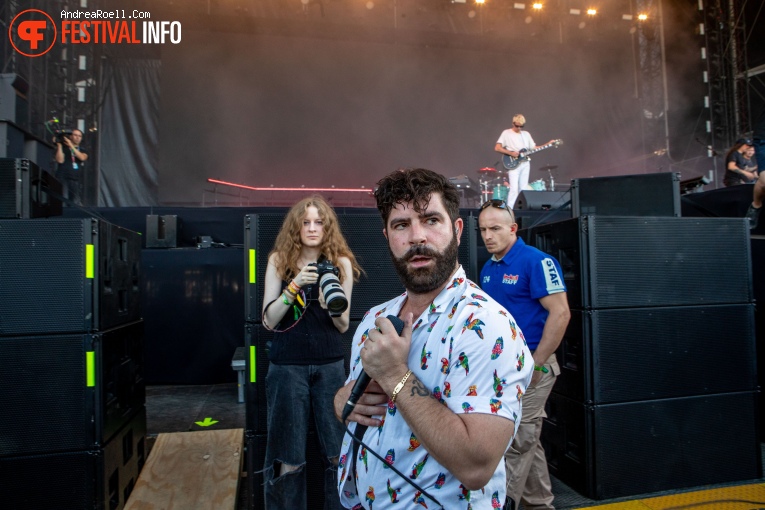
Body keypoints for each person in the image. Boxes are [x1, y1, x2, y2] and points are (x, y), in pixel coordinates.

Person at [334, 168, 533, 510]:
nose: (416, 237)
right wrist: (343, 403)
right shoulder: (374, 319)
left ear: (456, 230)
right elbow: (361, 402)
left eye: (430, 220)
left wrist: (396, 376)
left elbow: (476, 466)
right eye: (401, 225)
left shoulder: (485, 324)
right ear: (387, 236)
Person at [262, 195, 362, 510]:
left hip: (330, 364)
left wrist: (328, 301)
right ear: (296, 226)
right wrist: (294, 288)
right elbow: (268, 320)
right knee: (288, 457)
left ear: (328, 226)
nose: (312, 228)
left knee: (337, 452)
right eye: (305, 222)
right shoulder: (279, 260)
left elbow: (344, 325)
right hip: (287, 365)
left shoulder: (340, 262)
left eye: (319, 222)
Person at [478, 199, 571, 510]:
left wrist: (537, 364)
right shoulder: (489, 267)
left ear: (513, 229)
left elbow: (560, 314)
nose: (488, 235)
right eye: (483, 229)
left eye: (495, 228)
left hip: (534, 365)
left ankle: (504, 505)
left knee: (517, 441)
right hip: (504, 368)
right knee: (528, 440)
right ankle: (541, 504)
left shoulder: (537, 261)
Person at [494, 115, 554, 209]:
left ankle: (522, 209)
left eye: (521, 126)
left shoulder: (526, 134)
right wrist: (510, 153)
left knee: (523, 188)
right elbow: (497, 148)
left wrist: (548, 144)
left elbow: (533, 148)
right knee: (514, 189)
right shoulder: (506, 133)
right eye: (517, 126)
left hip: (525, 163)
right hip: (513, 163)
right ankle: (510, 210)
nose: (518, 128)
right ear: (513, 123)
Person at [54, 128, 88, 205]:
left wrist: (71, 146)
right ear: (71, 136)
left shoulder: (83, 150)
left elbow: (82, 157)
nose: (77, 137)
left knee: (74, 202)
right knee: (62, 201)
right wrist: (59, 146)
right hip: (62, 177)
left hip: (75, 178)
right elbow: (59, 160)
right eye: (75, 135)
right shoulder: (63, 148)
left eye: (80, 136)